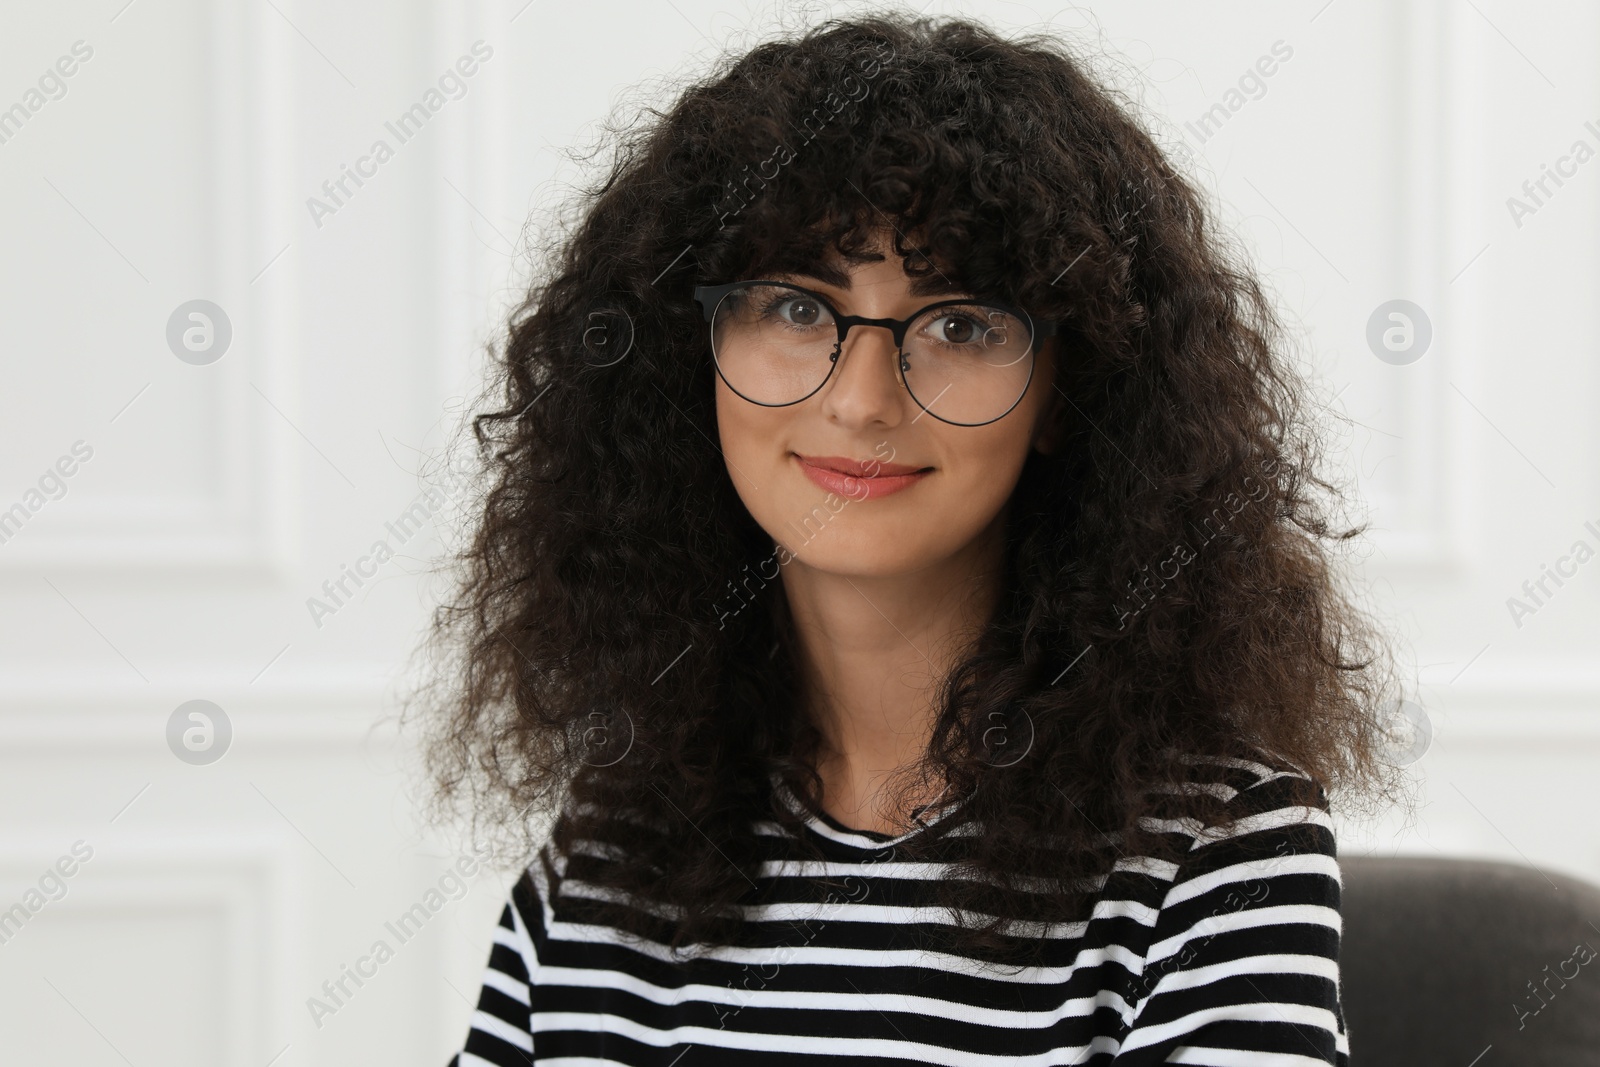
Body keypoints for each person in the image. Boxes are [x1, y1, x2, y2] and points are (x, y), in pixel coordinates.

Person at [412, 11, 1404, 1065]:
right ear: (686, 354)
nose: (861, 397)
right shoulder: (605, 847)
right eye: (796, 308)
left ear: (1070, 391)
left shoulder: (1216, 853)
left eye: (960, 323)